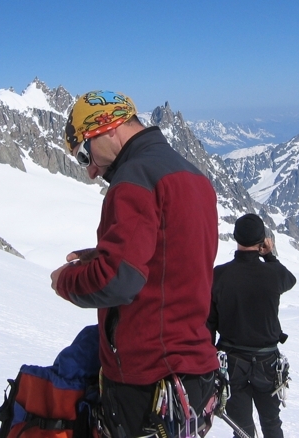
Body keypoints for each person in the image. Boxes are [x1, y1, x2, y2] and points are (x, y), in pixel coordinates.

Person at [50, 90, 219, 438]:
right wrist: (106, 253)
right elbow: (174, 261)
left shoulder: (133, 179)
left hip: (145, 381)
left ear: (107, 128)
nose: (91, 171)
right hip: (193, 375)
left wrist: (67, 280)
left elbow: (116, 281)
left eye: (84, 153)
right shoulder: (193, 176)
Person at [207, 213, 296, 438]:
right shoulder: (274, 274)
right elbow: (290, 279)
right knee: (272, 424)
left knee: (242, 429)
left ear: (236, 237)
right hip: (268, 363)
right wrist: (270, 256)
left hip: (232, 362)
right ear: (262, 241)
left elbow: (210, 322)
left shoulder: (218, 275)